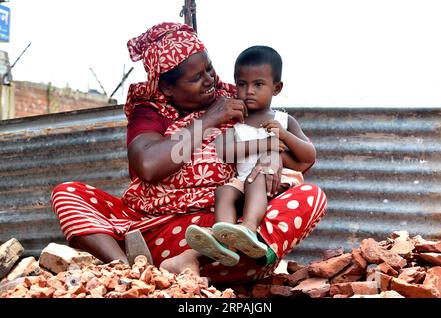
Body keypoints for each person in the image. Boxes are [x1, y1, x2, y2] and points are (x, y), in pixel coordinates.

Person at [50, 22, 327, 284]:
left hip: (223, 225)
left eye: (209, 69)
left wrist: (272, 155)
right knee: (67, 193)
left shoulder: (236, 99)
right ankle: (130, 272)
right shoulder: (150, 112)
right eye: (196, 78)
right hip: (152, 228)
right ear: (167, 87)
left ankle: (200, 258)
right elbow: (148, 165)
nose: (209, 81)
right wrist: (207, 121)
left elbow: (288, 151)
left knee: (310, 196)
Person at [185, 46, 316, 266]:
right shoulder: (236, 123)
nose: (249, 91)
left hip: (278, 179)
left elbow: (309, 155)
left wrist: (284, 136)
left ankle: (248, 229)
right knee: (224, 192)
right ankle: (224, 240)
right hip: (243, 181)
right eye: (242, 84)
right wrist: (268, 144)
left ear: (277, 88)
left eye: (258, 84)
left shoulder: (284, 120)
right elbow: (225, 152)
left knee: (256, 179)